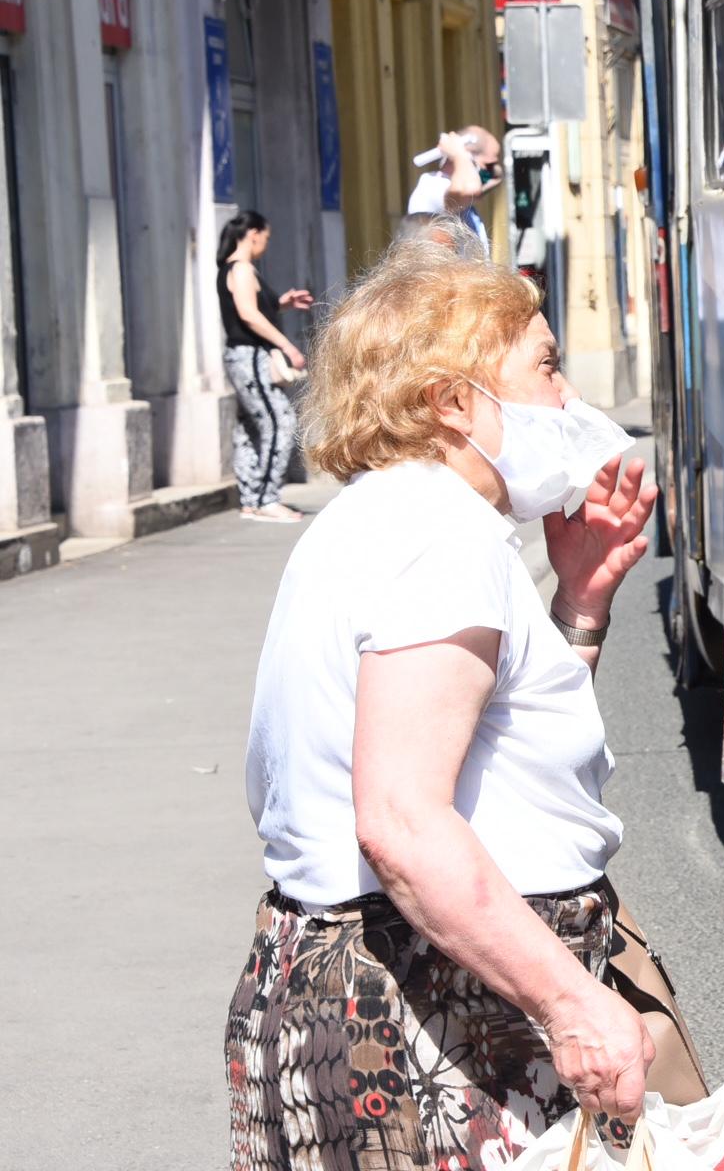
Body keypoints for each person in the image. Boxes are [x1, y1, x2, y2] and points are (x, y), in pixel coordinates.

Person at [225, 235, 662, 1168]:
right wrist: (575, 1005)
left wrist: (578, 606)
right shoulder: (441, 543)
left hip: (383, 989)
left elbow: (490, 769)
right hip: (435, 1010)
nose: (567, 400)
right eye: (545, 367)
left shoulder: (382, 519)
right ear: (453, 403)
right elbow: (403, 819)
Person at [217, 211, 313, 523]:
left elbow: (250, 309)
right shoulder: (242, 268)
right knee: (279, 421)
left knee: (250, 426)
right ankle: (265, 499)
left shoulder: (234, 269)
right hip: (250, 356)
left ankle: (252, 499)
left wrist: (281, 303)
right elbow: (248, 314)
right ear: (253, 233)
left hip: (242, 356)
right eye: (266, 238)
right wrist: (286, 345)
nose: (266, 245)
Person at [405, 125, 502, 252]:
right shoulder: (432, 186)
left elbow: (496, 177)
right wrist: (459, 153)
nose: (490, 170)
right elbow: (469, 189)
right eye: (488, 165)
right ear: (469, 158)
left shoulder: (460, 188)